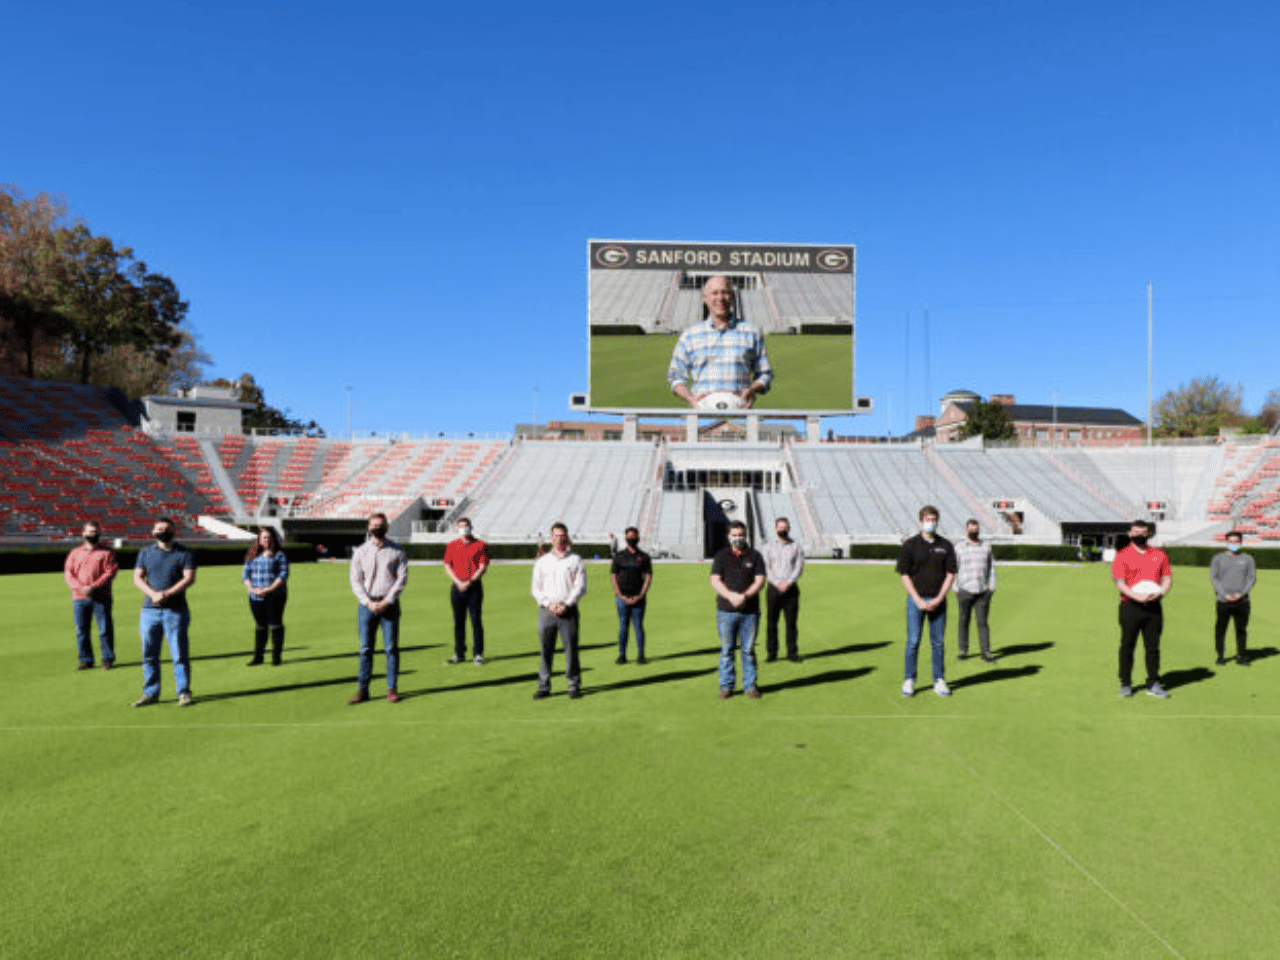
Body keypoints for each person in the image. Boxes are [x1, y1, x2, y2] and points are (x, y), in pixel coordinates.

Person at [667, 275, 774, 408]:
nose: (720, 298)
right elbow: (675, 375)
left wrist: (752, 390)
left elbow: (765, 374)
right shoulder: (690, 336)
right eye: (714, 293)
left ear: (733, 297)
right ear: (704, 298)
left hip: (740, 412)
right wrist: (691, 398)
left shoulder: (751, 333)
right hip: (702, 414)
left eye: (725, 292)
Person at [132, 517, 196, 707]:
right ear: (153, 532)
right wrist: (153, 594)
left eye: (166, 529)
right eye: (159, 529)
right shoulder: (146, 552)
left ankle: (183, 693)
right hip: (149, 611)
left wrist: (167, 593)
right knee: (149, 654)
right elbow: (137, 577)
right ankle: (151, 693)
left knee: (179, 654)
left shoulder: (184, 553)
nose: (162, 532)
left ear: (173, 531)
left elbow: (189, 578)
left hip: (175, 610)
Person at [896, 505, 957, 698]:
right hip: (916, 601)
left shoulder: (946, 546)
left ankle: (939, 680)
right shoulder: (910, 545)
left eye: (934, 519)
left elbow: (951, 573)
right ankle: (909, 679)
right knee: (913, 641)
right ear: (921, 521)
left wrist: (939, 598)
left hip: (938, 602)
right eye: (928, 519)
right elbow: (904, 574)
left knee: (938, 642)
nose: (932, 523)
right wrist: (917, 599)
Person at [348, 513, 408, 704]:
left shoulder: (397, 551)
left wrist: (387, 601)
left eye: (381, 525)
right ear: (368, 527)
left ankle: (392, 688)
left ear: (387, 527)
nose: (377, 528)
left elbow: (402, 579)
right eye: (374, 525)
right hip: (367, 606)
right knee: (365, 648)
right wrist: (368, 602)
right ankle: (363, 689)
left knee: (391, 648)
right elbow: (355, 580)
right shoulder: (361, 551)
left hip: (388, 605)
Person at [1112, 519, 1173, 699]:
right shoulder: (1122, 555)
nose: (1139, 535)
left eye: (1143, 532)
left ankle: (1153, 683)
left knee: (1153, 647)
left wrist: (1160, 593)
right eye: (1136, 532)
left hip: (1154, 608)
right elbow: (1120, 583)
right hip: (1130, 607)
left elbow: (1167, 579)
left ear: (1149, 534)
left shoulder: (1159, 554)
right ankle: (1126, 684)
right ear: (1130, 534)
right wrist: (1137, 596)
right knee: (1127, 646)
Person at [710, 520, 767, 699]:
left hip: (750, 612)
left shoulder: (755, 556)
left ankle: (750, 685)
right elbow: (715, 580)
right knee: (727, 650)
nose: (738, 538)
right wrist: (731, 596)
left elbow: (760, 580)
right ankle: (726, 686)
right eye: (734, 535)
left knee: (748, 650)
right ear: (728, 536)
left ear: (746, 535)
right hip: (726, 611)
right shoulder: (721, 556)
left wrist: (745, 596)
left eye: (740, 535)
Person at [531, 522, 587, 699]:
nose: (559, 539)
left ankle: (573, 684)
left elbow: (580, 587)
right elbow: (536, 588)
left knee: (571, 649)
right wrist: (549, 604)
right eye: (556, 536)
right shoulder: (542, 562)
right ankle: (544, 685)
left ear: (567, 537)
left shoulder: (575, 560)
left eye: (562, 536)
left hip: (568, 610)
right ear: (551, 538)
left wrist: (566, 604)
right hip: (546, 611)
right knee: (545, 650)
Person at [64, 520, 118, 671]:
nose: (92, 534)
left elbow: (110, 572)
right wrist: (80, 587)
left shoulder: (107, 552)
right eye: (89, 532)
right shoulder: (75, 553)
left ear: (99, 533)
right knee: (82, 630)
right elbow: (69, 573)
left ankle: (107, 659)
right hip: (79, 598)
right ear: (83, 533)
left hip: (101, 597)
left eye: (95, 532)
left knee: (105, 629)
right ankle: (86, 660)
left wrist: (93, 586)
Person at [443, 517, 489, 665]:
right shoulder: (452, 545)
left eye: (466, 526)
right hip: (457, 588)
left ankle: (478, 654)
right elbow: (447, 566)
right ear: (457, 528)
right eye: (461, 526)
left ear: (471, 527)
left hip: (474, 587)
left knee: (476, 621)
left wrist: (469, 582)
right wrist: (459, 582)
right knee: (458, 622)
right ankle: (459, 653)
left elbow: (482, 566)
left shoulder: (480, 545)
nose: (464, 528)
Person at [242, 526, 289, 666]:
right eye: (264, 537)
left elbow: (283, 575)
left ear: (273, 538)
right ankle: (258, 657)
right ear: (259, 540)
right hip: (255, 597)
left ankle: (276, 657)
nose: (266, 540)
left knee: (275, 625)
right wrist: (252, 589)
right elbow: (245, 575)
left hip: (275, 596)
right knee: (260, 626)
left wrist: (269, 589)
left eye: (269, 537)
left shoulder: (280, 555)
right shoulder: (252, 555)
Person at [761, 516, 805, 663]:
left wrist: (789, 582)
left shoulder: (796, 546)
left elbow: (799, 567)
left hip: (791, 590)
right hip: (773, 589)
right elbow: (766, 568)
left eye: (785, 527)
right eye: (780, 527)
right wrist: (777, 583)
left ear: (789, 528)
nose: (782, 529)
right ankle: (772, 653)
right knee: (771, 623)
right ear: (775, 528)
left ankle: (792, 653)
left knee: (791, 623)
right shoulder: (767, 547)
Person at [953, 518, 997, 663]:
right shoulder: (958, 547)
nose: (974, 531)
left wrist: (991, 587)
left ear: (979, 530)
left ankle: (986, 651)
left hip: (983, 591)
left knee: (982, 622)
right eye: (971, 529)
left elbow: (992, 568)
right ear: (966, 530)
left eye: (976, 529)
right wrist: (955, 587)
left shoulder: (986, 547)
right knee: (964, 621)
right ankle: (963, 649)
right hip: (965, 589)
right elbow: (953, 569)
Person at [1210, 530, 1256, 667]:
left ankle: (1241, 656)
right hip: (1223, 601)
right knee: (1221, 630)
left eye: (1236, 541)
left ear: (1241, 542)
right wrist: (1224, 594)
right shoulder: (1217, 558)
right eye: (1231, 542)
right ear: (1226, 542)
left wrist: (1240, 594)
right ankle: (1220, 656)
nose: (1233, 544)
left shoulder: (1248, 558)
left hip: (1242, 601)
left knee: (1241, 630)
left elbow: (1252, 578)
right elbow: (1214, 578)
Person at [610, 526, 652, 664]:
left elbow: (648, 576)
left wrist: (641, 594)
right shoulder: (619, 556)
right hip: (622, 598)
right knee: (623, 625)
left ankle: (641, 655)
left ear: (638, 538)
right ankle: (622, 655)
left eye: (634, 536)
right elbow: (614, 576)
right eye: (629, 537)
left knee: (638, 626)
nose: (632, 539)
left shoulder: (644, 557)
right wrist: (620, 595)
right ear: (626, 538)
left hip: (638, 598)